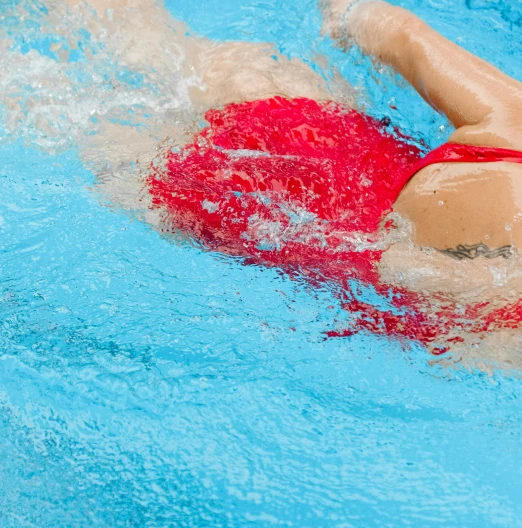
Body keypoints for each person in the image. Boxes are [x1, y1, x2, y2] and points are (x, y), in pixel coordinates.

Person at [16, 0, 522, 360]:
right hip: (248, 209)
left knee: (124, 52)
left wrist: (341, 14)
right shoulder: (503, 322)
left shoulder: (514, 129)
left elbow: (397, 32)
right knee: (54, 110)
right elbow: (396, 283)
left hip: (305, 126)